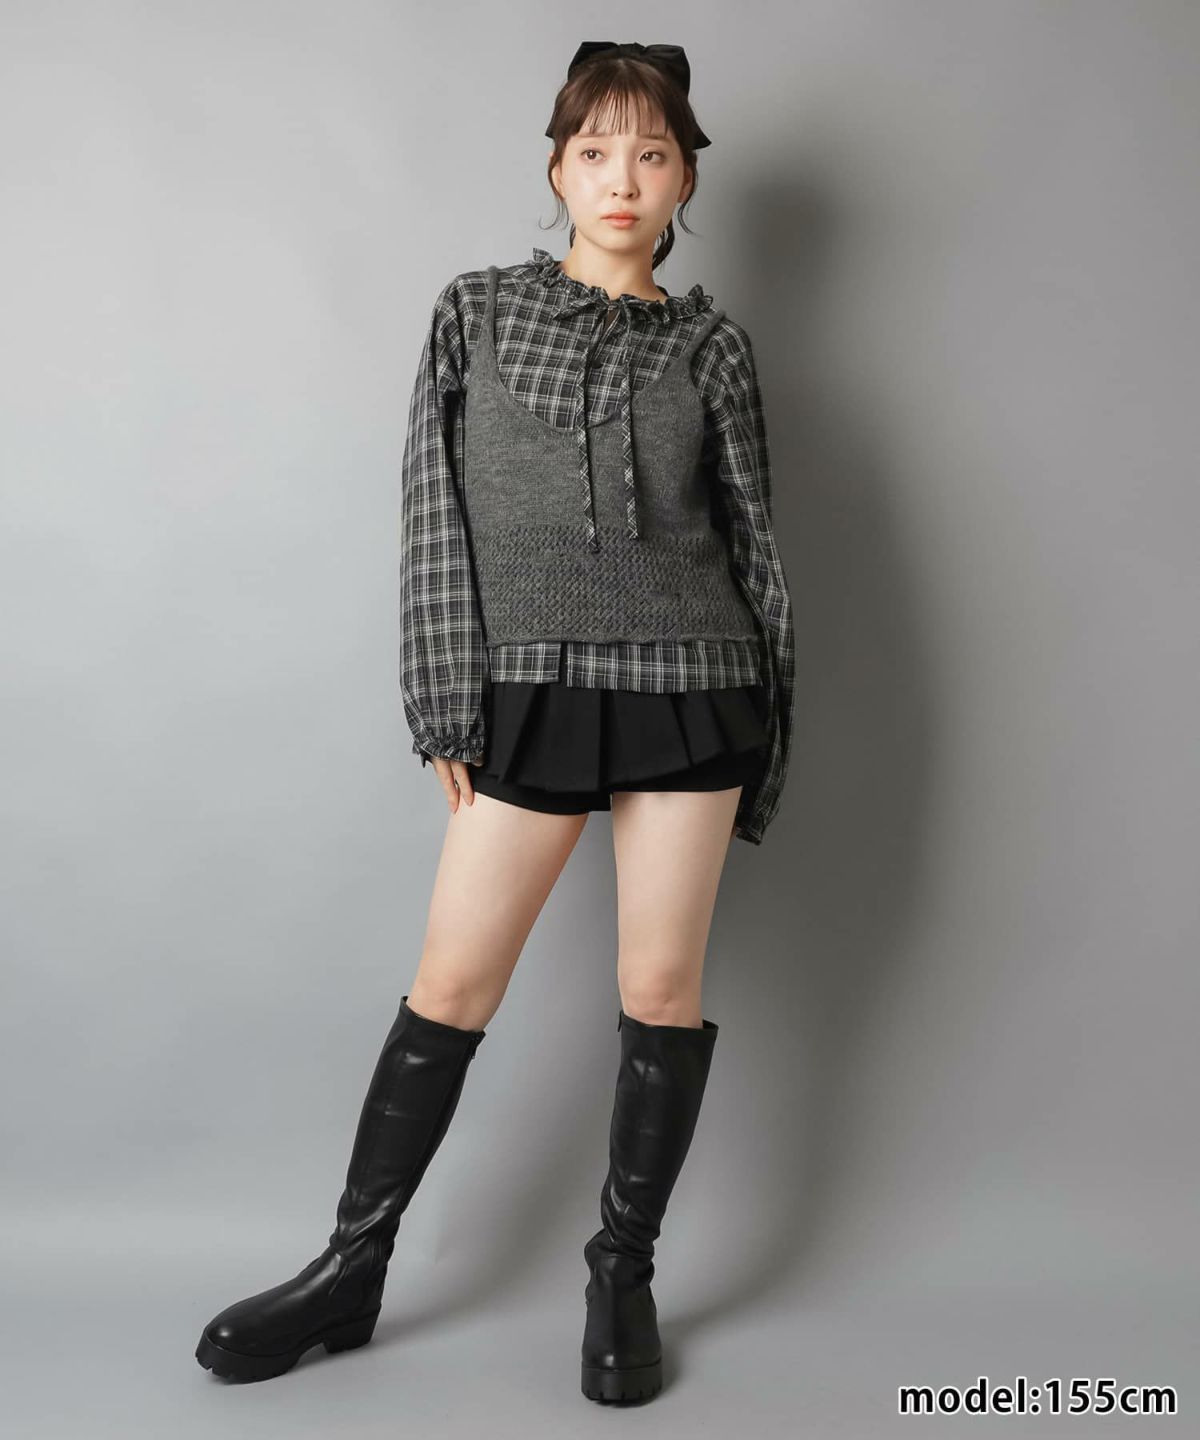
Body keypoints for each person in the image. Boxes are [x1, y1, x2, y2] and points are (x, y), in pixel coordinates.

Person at [195, 40, 795, 1406]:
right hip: (529, 686)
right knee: (452, 987)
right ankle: (349, 1270)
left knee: (660, 992)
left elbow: (755, 546)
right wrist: (443, 696)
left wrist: (775, 730)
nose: (623, 178)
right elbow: (433, 510)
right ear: (558, 169)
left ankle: (622, 1273)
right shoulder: (472, 312)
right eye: (596, 151)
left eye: (652, 153)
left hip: (695, 683)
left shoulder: (712, 346)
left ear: (685, 178)